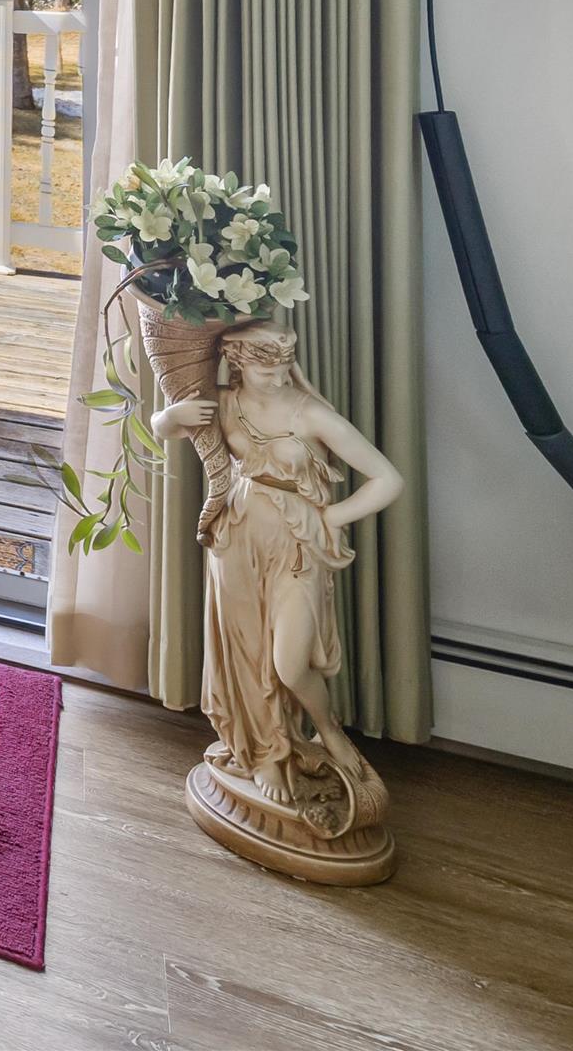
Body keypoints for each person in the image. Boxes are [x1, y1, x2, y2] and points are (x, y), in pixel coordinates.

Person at [152, 324, 404, 831]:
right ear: (238, 361)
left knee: (290, 662)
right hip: (236, 537)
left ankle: (328, 730)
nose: (278, 376)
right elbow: (165, 427)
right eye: (266, 369)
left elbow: (387, 479)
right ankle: (265, 750)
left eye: (285, 366)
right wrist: (169, 417)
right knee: (242, 652)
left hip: (295, 546)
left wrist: (328, 520)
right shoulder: (222, 403)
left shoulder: (308, 412)